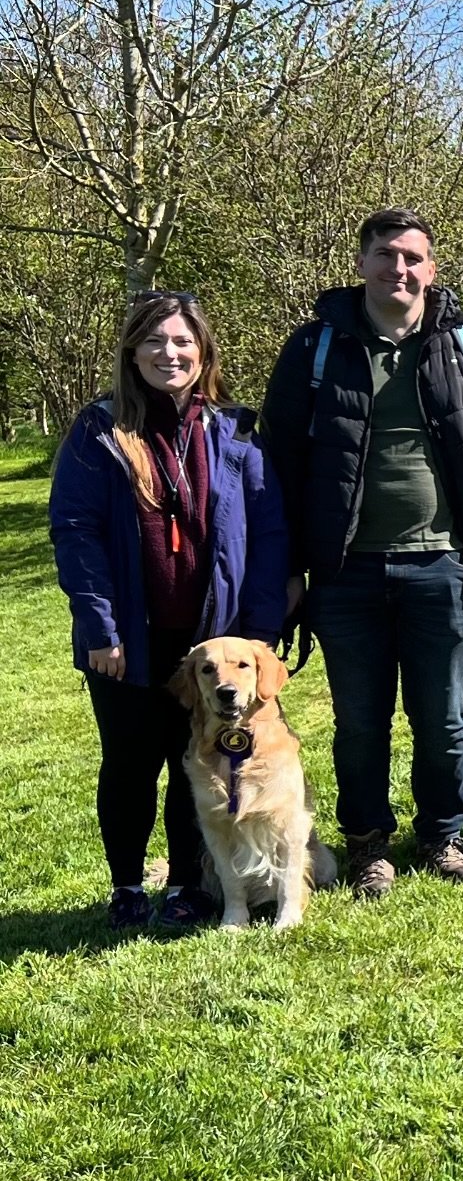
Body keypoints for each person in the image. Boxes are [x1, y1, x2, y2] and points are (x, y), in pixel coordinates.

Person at [259, 209, 463, 898]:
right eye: (385, 255)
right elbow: (277, 464)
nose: (399, 269)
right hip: (344, 573)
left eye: (413, 257)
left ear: (431, 269)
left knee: (442, 717)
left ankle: (442, 835)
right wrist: (289, 567)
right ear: (361, 264)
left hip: (442, 564)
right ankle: (369, 845)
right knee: (359, 721)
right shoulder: (313, 348)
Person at [48, 292, 287, 928]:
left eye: (182, 341)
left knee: (203, 764)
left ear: (203, 349)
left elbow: (267, 533)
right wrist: (100, 626)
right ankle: (128, 886)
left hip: (212, 640)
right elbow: (76, 532)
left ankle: (189, 886)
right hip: (127, 640)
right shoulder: (99, 431)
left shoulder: (235, 429)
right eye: (154, 341)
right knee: (129, 765)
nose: (169, 353)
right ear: (132, 351)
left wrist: (258, 634)